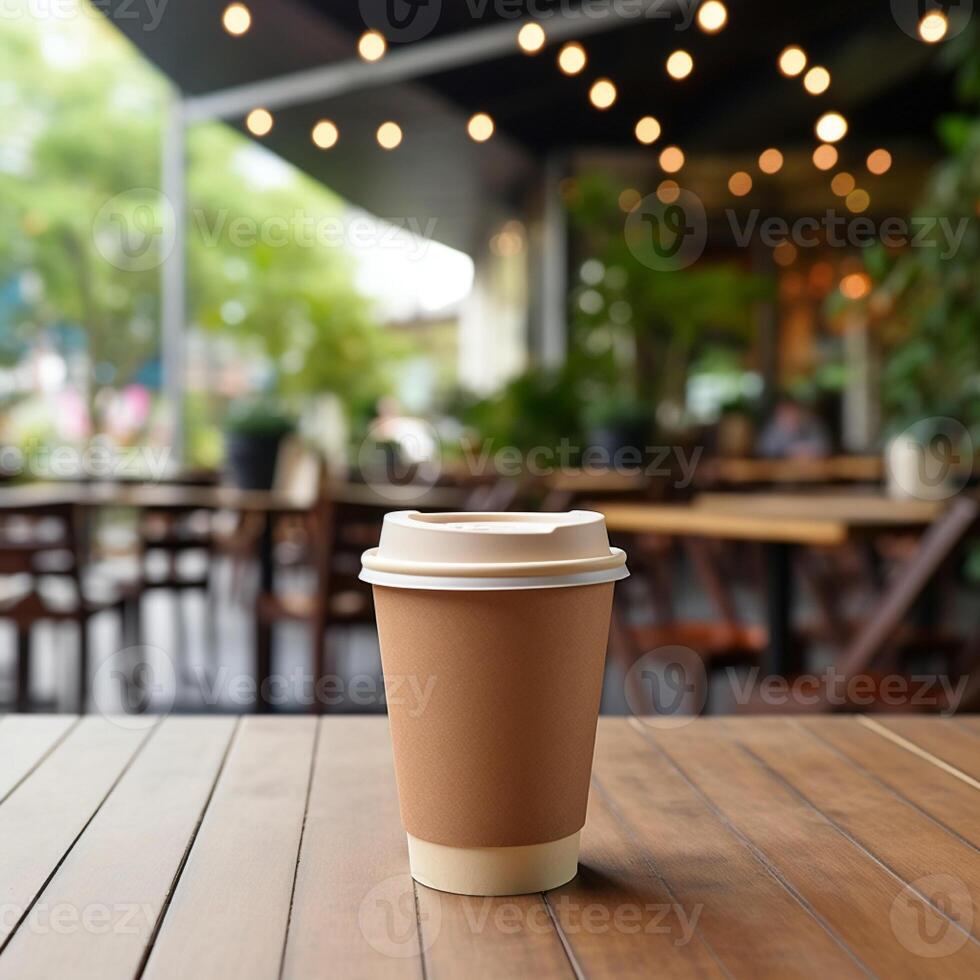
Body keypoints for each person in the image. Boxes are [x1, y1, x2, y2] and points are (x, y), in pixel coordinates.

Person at [756, 396, 831, 459]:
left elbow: (825, 447)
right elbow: (764, 451)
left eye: (794, 413)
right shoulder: (772, 430)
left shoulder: (813, 425)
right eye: (786, 414)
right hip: (780, 474)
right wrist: (788, 452)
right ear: (779, 415)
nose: (791, 417)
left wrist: (805, 451)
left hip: (813, 472)